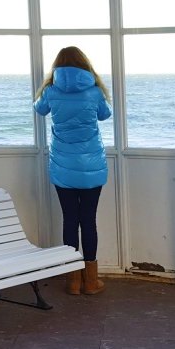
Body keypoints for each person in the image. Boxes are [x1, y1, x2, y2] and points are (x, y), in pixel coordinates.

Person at [34, 46, 111, 296]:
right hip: (92, 165)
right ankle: (91, 281)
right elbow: (105, 115)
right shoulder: (94, 91)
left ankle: (72, 281)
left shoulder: (51, 91)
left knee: (70, 220)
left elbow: (39, 109)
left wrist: (47, 88)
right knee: (88, 220)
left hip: (63, 166)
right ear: (84, 65)